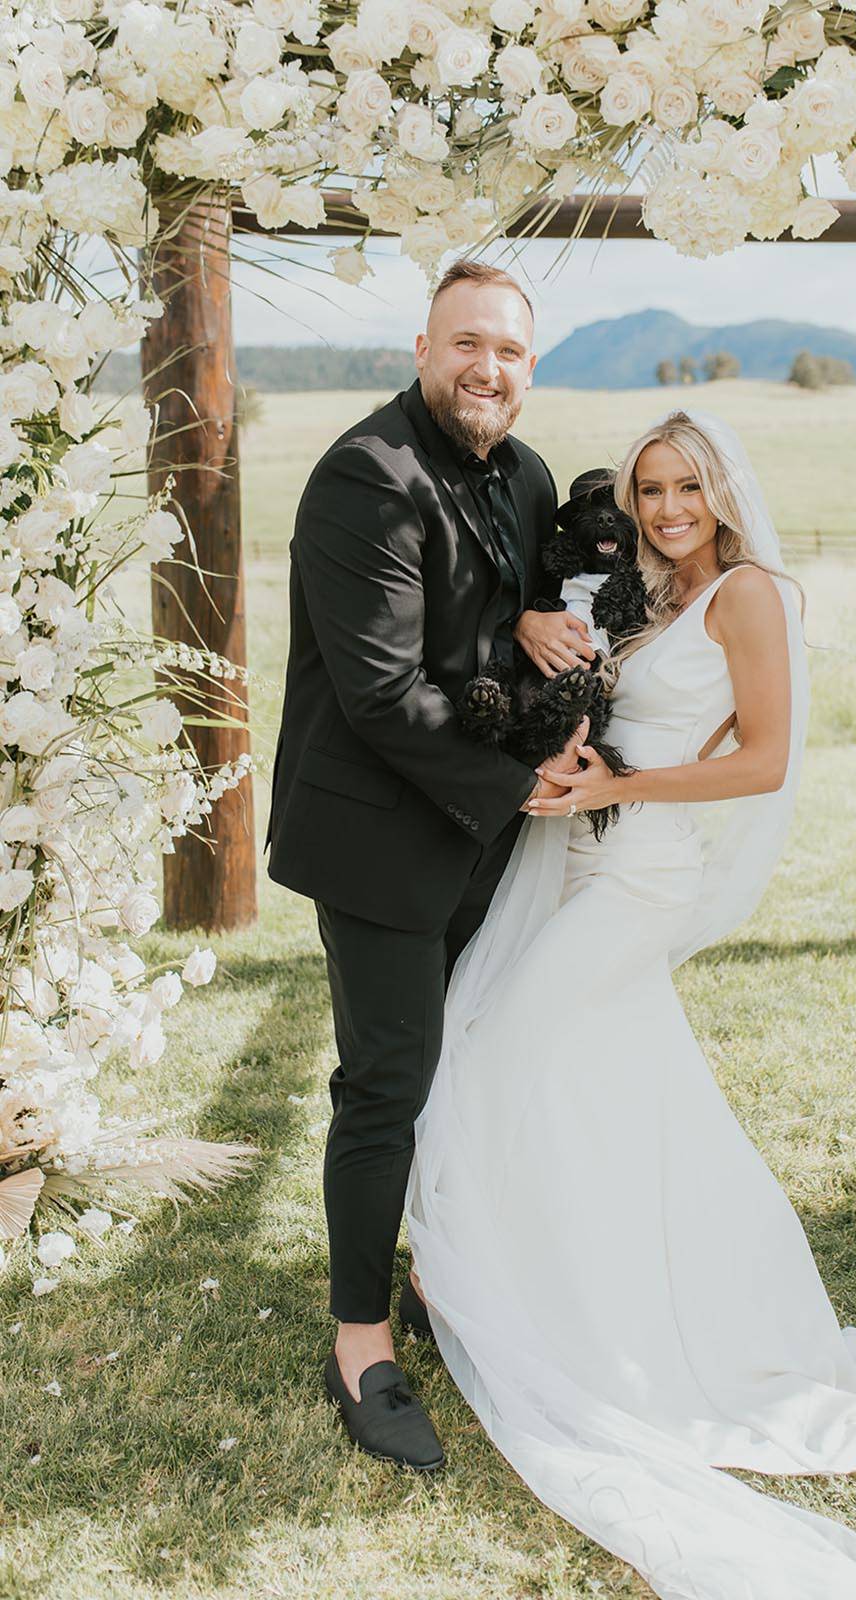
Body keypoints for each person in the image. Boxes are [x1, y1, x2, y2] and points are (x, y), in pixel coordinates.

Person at [405, 411, 856, 1599]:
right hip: (589, 854)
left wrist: (624, 779)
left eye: (686, 486)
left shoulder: (747, 593)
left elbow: (764, 758)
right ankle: (595, 1281)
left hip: (642, 875)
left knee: (497, 1050)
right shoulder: (644, 594)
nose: (666, 507)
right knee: (613, 1090)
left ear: (723, 488)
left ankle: (497, 1289)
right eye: (648, 488)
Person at [265, 260, 594, 1470]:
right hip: (378, 831)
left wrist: (528, 637)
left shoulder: (527, 474)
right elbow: (381, 693)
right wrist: (525, 783)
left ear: (528, 364)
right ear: (420, 347)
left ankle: (435, 1269)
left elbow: (527, 609)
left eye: (506, 350)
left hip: (486, 833)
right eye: (465, 345)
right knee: (389, 1080)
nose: (486, 369)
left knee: (469, 1068)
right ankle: (360, 1337)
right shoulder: (364, 476)